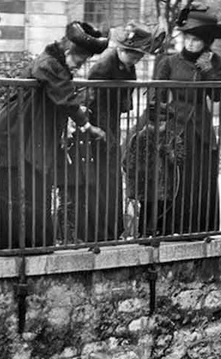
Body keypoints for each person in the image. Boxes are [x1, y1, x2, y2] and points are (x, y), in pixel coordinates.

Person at [0, 21, 108, 250]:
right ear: (68, 52)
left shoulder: (57, 65)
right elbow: (64, 97)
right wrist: (87, 125)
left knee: (33, 190)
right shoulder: (48, 64)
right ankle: (3, 246)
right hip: (14, 135)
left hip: (30, 137)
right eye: (80, 60)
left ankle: (32, 244)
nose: (81, 66)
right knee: (8, 190)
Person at [63, 22, 157, 242]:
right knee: (97, 180)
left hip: (111, 123)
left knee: (110, 179)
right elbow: (91, 98)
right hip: (96, 128)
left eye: (138, 56)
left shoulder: (127, 66)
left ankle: (110, 231)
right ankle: (94, 233)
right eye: (132, 54)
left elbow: (125, 100)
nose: (135, 59)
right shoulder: (105, 64)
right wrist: (101, 132)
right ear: (122, 49)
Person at [145, 10, 221, 235]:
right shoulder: (170, 61)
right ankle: (171, 228)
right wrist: (160, 120)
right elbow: (155, 94)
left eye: (196, 40)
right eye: (188, 38)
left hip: (200, 129)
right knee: (174, 180)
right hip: (175, 126)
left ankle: (199, 229)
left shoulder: (214, 62)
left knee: (199, 181)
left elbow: (217, 96)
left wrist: (207, 69)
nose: (191, 43)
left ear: (206, 42)